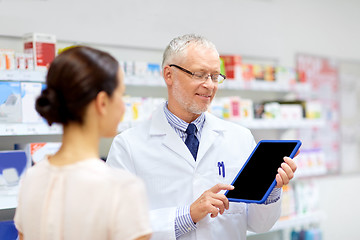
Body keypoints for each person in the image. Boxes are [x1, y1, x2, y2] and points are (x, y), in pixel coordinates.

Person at [106, 34, 298, 240]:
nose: (210, 85)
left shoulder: (239, 138)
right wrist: (188, 215)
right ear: (168, 75)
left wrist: (272, 190)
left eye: (215, 76)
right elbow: (116, 226)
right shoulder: (128, 145)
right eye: (199, 74)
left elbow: (259, 224)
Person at [14, 46, 152, 240]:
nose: (123, 107)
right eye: (121, 95)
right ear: (102, 102)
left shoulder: (32, 177)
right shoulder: (122, 188)